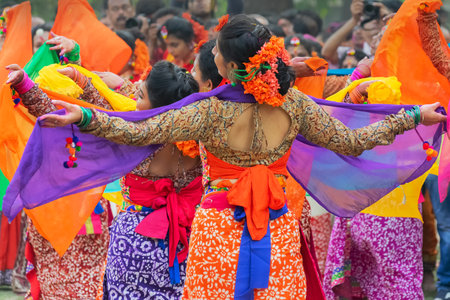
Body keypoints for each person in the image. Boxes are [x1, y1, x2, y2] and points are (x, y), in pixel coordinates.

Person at [22, 15, 448, 299]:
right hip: (275, 229)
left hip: (218, 229)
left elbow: (140, 130)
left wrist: (86, 116)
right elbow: (353, 142)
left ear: (226, 68)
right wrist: (411, 117)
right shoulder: (293, 105)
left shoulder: (210, 111)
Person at [5, 35, 111, 300]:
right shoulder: (93, 122)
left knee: (85, 284)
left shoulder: (98, 123)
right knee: (59, 283)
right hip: (55, 212)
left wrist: (73, 61)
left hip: (82, 214)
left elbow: (82, 98)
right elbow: (48, 105)